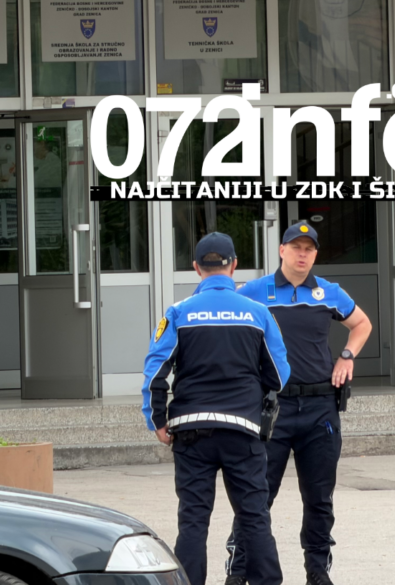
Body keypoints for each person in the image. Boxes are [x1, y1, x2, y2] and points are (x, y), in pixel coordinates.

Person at [225, 222, 373, 585]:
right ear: (282, 250)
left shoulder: (329, 292)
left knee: (319, 498)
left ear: (315, 254)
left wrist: (347, 356)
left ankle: (317, 571)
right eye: (296, 247)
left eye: (309, 249)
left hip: (320, 409)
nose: (302, 254)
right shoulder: (255, 291)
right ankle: (239, 570)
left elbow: (362, 324)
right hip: (272, 409)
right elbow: (229, 327)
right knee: (257, 496)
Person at [142, 232, 290, 585]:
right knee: (254, 517)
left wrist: (157, 420)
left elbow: (155, 373)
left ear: (196, 268)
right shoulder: (258, 313)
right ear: (234, 265)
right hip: (243, 429)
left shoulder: (178, 312)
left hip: (191, 430)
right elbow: (279, 375)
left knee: (193, 520)